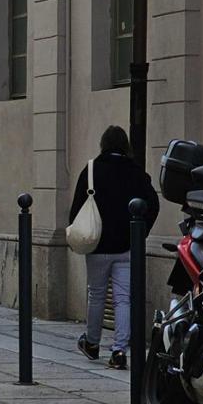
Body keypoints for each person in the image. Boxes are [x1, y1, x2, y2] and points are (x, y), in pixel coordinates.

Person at [68, 125, 159, 370]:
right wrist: (141, 232)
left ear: (103, 144)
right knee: (123, 299)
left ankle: (92, 343)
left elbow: (76, 209)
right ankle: (119, 350)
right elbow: (153, 203)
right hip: (127, 246)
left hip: (97, 245)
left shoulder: (91, 170)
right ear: (125, 146)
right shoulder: (136, 172)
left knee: (96, 294)